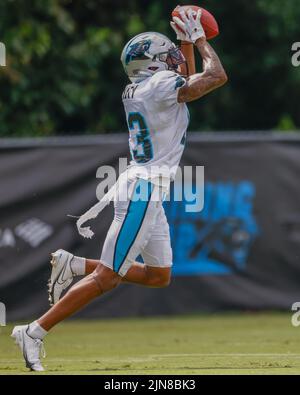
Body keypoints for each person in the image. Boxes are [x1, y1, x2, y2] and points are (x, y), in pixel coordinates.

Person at [12, 7, 227, 371]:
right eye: (167, 56)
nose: (173, 59)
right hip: (143, 190)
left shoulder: (140, 88)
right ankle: (33, 330)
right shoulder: (160, 87)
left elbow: (186, 82)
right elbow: (216, 76)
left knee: (159, 275)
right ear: (152, 65)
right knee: (107, 277)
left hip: (146, 189)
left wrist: (185, 43)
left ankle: (75, 264)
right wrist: (200, 41)